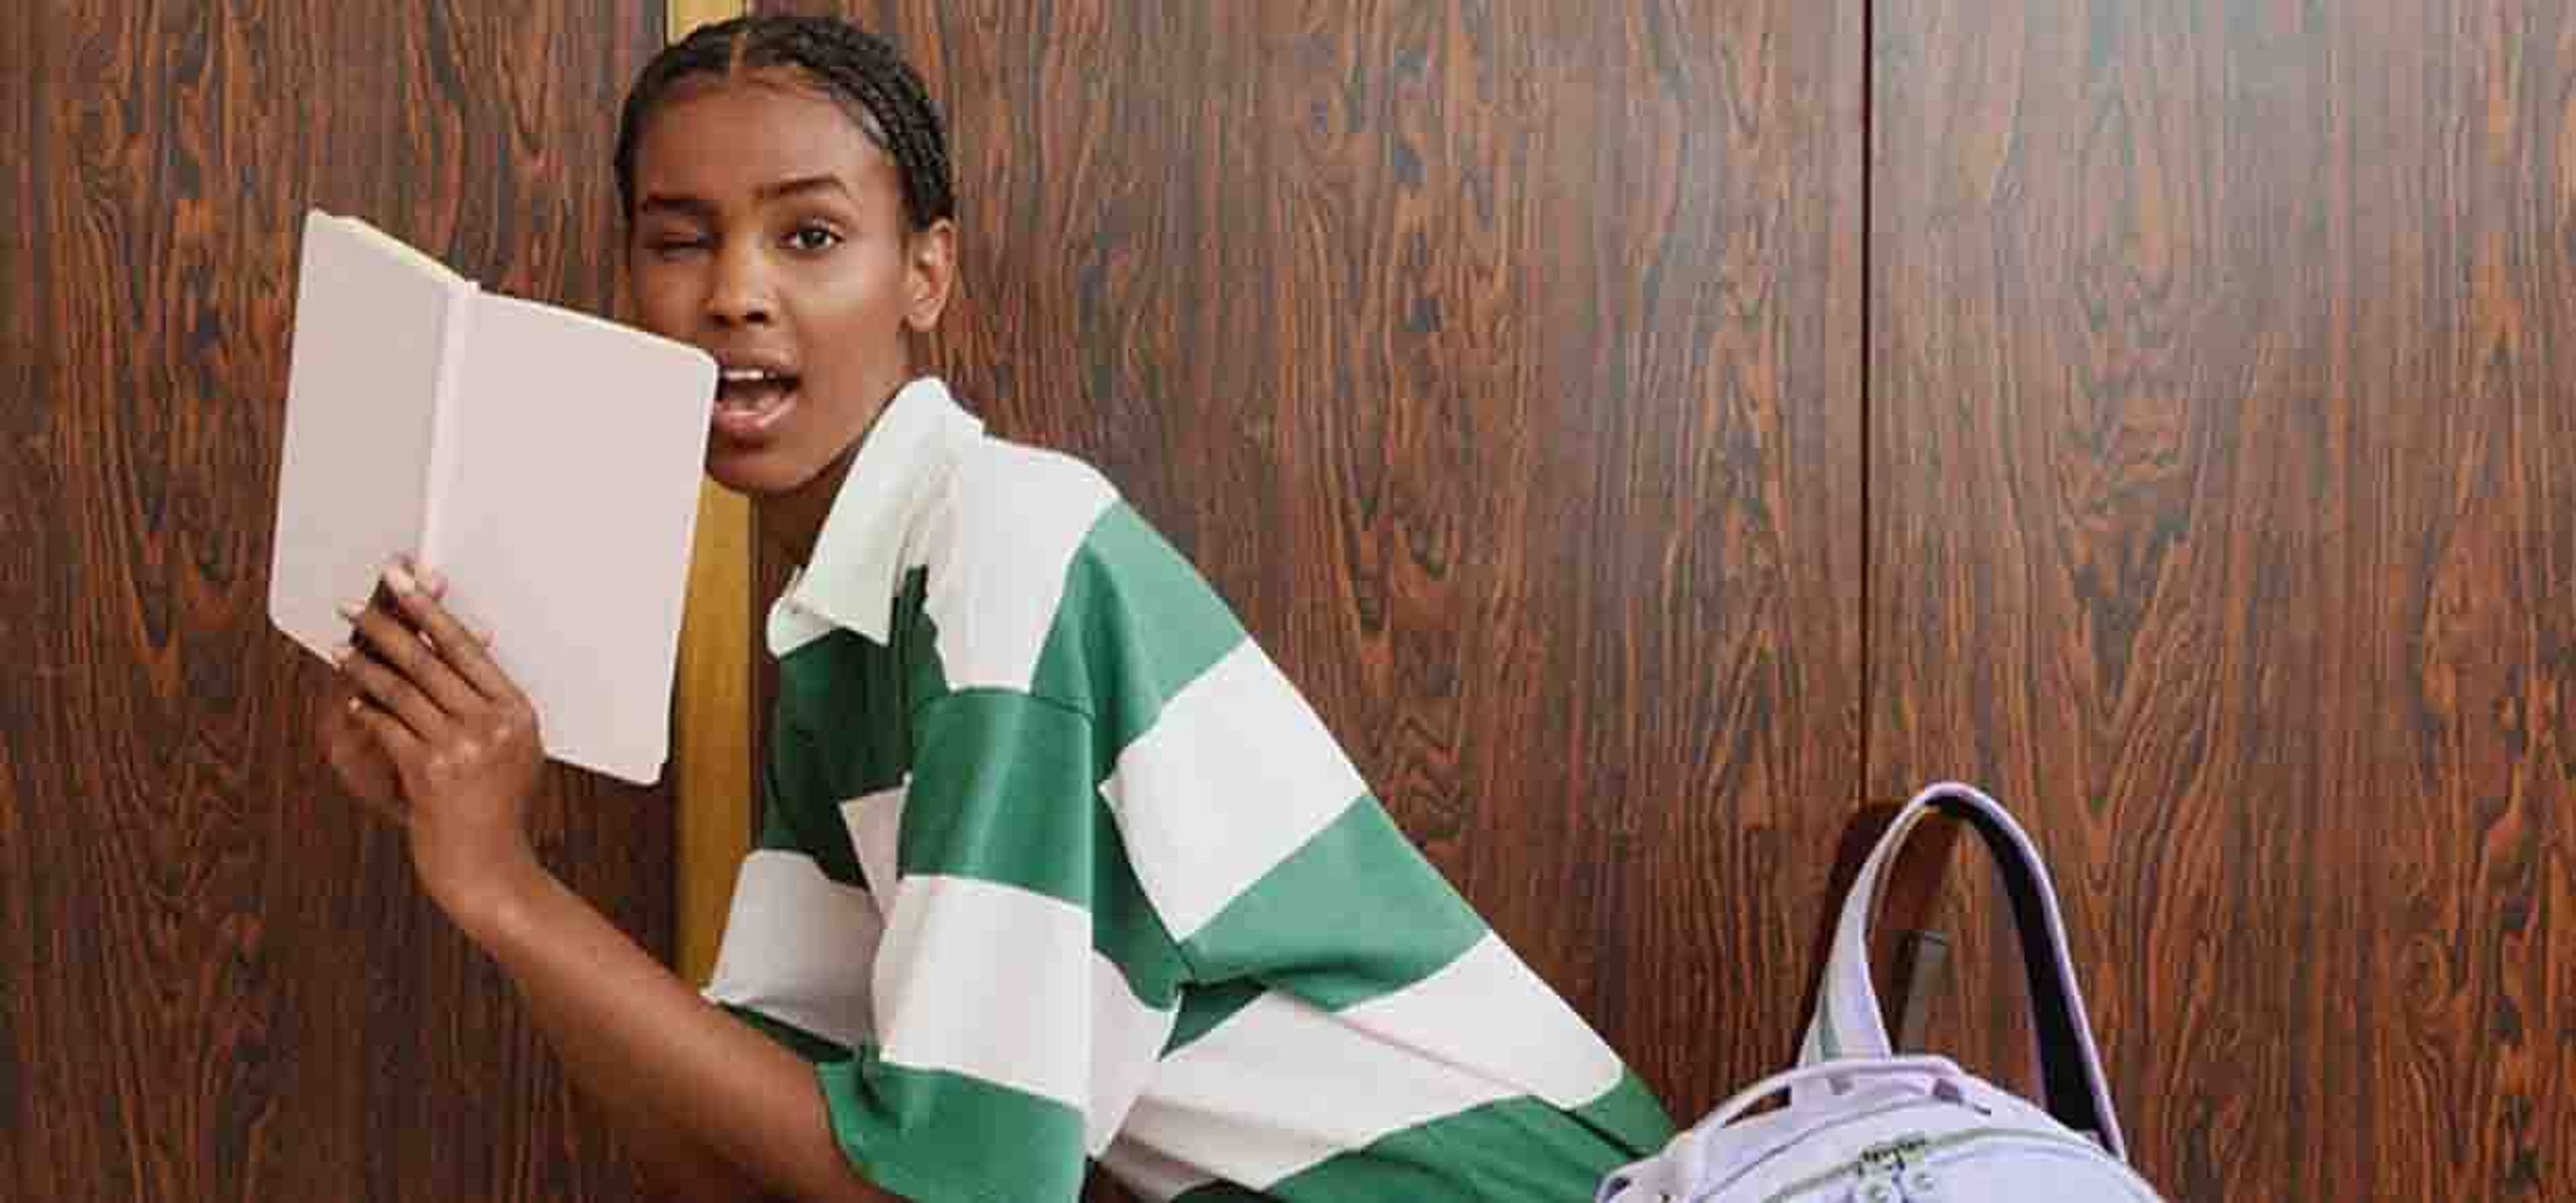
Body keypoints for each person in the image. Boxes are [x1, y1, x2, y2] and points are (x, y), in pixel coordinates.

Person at [317, 14, 1673, 1202]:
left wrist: (508, 887)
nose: (733, 294)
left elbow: (957, 1195)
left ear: (927, 273)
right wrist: (474, 863)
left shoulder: (1003, 548)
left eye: (810, 236)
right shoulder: (843, 629)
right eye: (679, 242)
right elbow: (740, 1165)